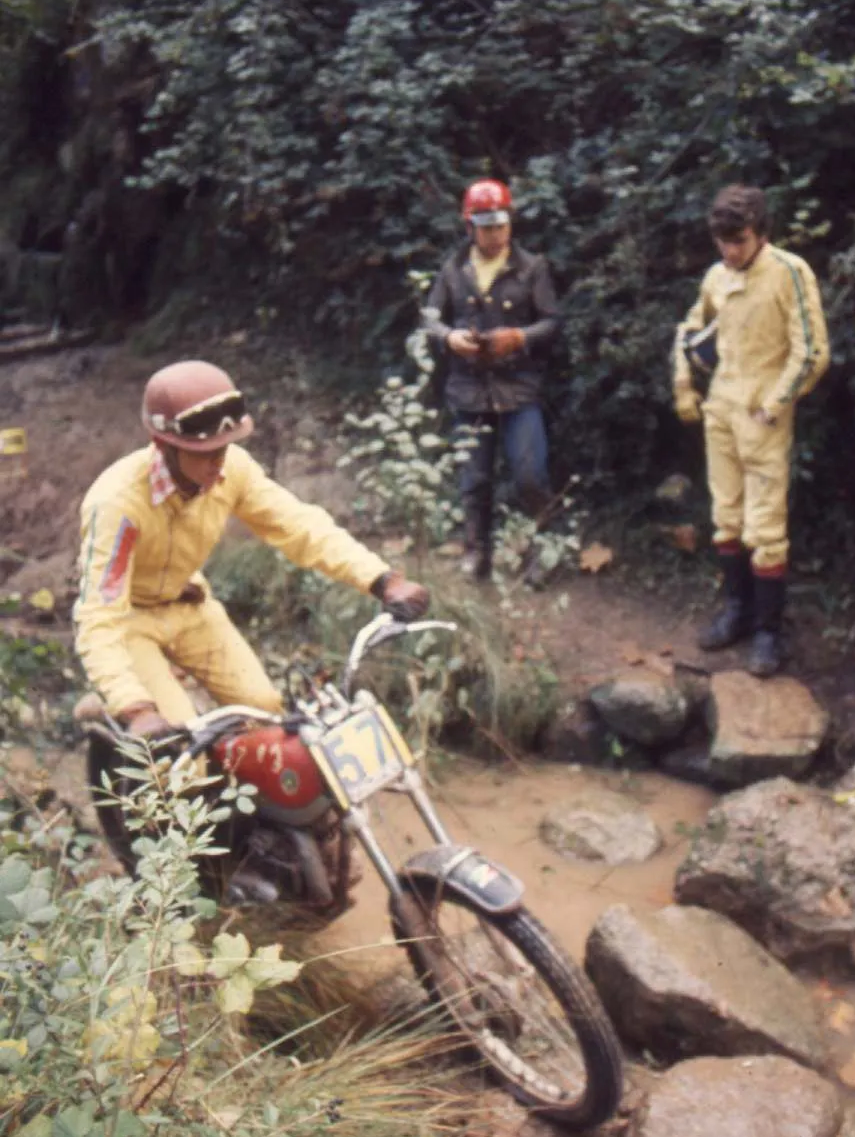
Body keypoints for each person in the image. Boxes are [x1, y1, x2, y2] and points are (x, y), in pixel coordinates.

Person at [74, 360, 429, 739]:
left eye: (224, 447)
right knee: (176, 744)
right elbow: (100, 615)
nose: (218, 461)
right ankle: (114, 710)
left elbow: (299, 525)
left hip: (189, 604)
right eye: (204, 451)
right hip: (129, 621)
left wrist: (381, 579)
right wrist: (133, 706)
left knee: (266, 715)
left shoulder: (233, 470)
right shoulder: (117, 504)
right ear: (165, 445)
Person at [672, 184, 830, 677]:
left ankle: (768, 632)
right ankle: (736, 612)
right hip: (721, 407)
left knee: (765, 527)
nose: (730, 250)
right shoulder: (716, 276)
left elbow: (812, 351)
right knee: (726, 516)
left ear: (760, 232)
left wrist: (775, 404)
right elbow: (691, 329)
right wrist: (683, 382)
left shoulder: (789, 272)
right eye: (722, 240)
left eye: (738, 240)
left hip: (763, 413)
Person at [422, 178, 560, 580]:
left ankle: (541, 551)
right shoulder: (453, 269)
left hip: (519, 386)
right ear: (470, 227)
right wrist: (450, 338)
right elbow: (430, 319)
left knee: (529, 474)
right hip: (468, 388)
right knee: (474, 477)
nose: (496, 235)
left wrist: (519, 337)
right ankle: (476, 551)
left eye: (501, 225)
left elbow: (552, 322)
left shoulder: (532, 267)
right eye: (486, 228)